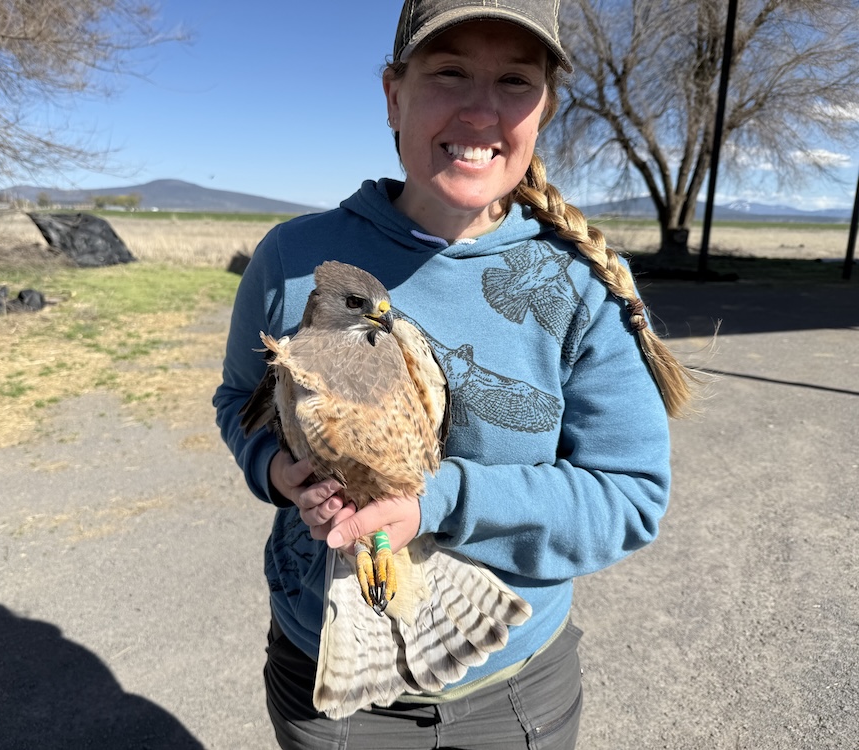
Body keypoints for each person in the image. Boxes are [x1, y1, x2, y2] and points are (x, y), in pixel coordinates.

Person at [214, 1, 697, 747]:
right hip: (329, 679)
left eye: (513, 80)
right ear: (392, 94)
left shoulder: (581, 287)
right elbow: (235, 404)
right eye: (448, 72)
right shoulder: (293, 260)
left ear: (545, 108)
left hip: (514, 692)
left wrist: (434, 503)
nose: (480, 110)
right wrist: (280, 471)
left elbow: (628, 500)